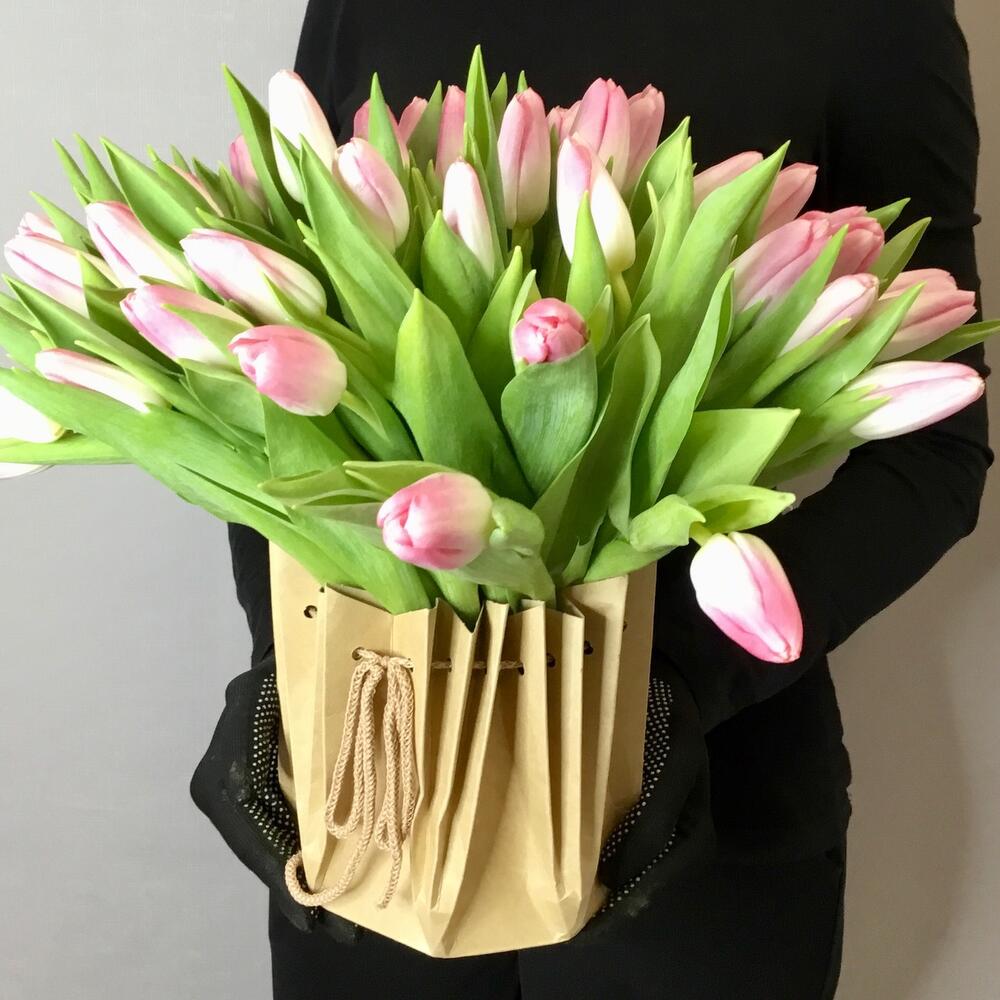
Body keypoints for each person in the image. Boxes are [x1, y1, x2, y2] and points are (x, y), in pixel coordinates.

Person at [191, 1, 993, 997]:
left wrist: (671, 686)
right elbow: (279, 356)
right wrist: (285, 665)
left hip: (700, 822)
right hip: (379, 783)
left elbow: (936, 453)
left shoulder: (870, 16)